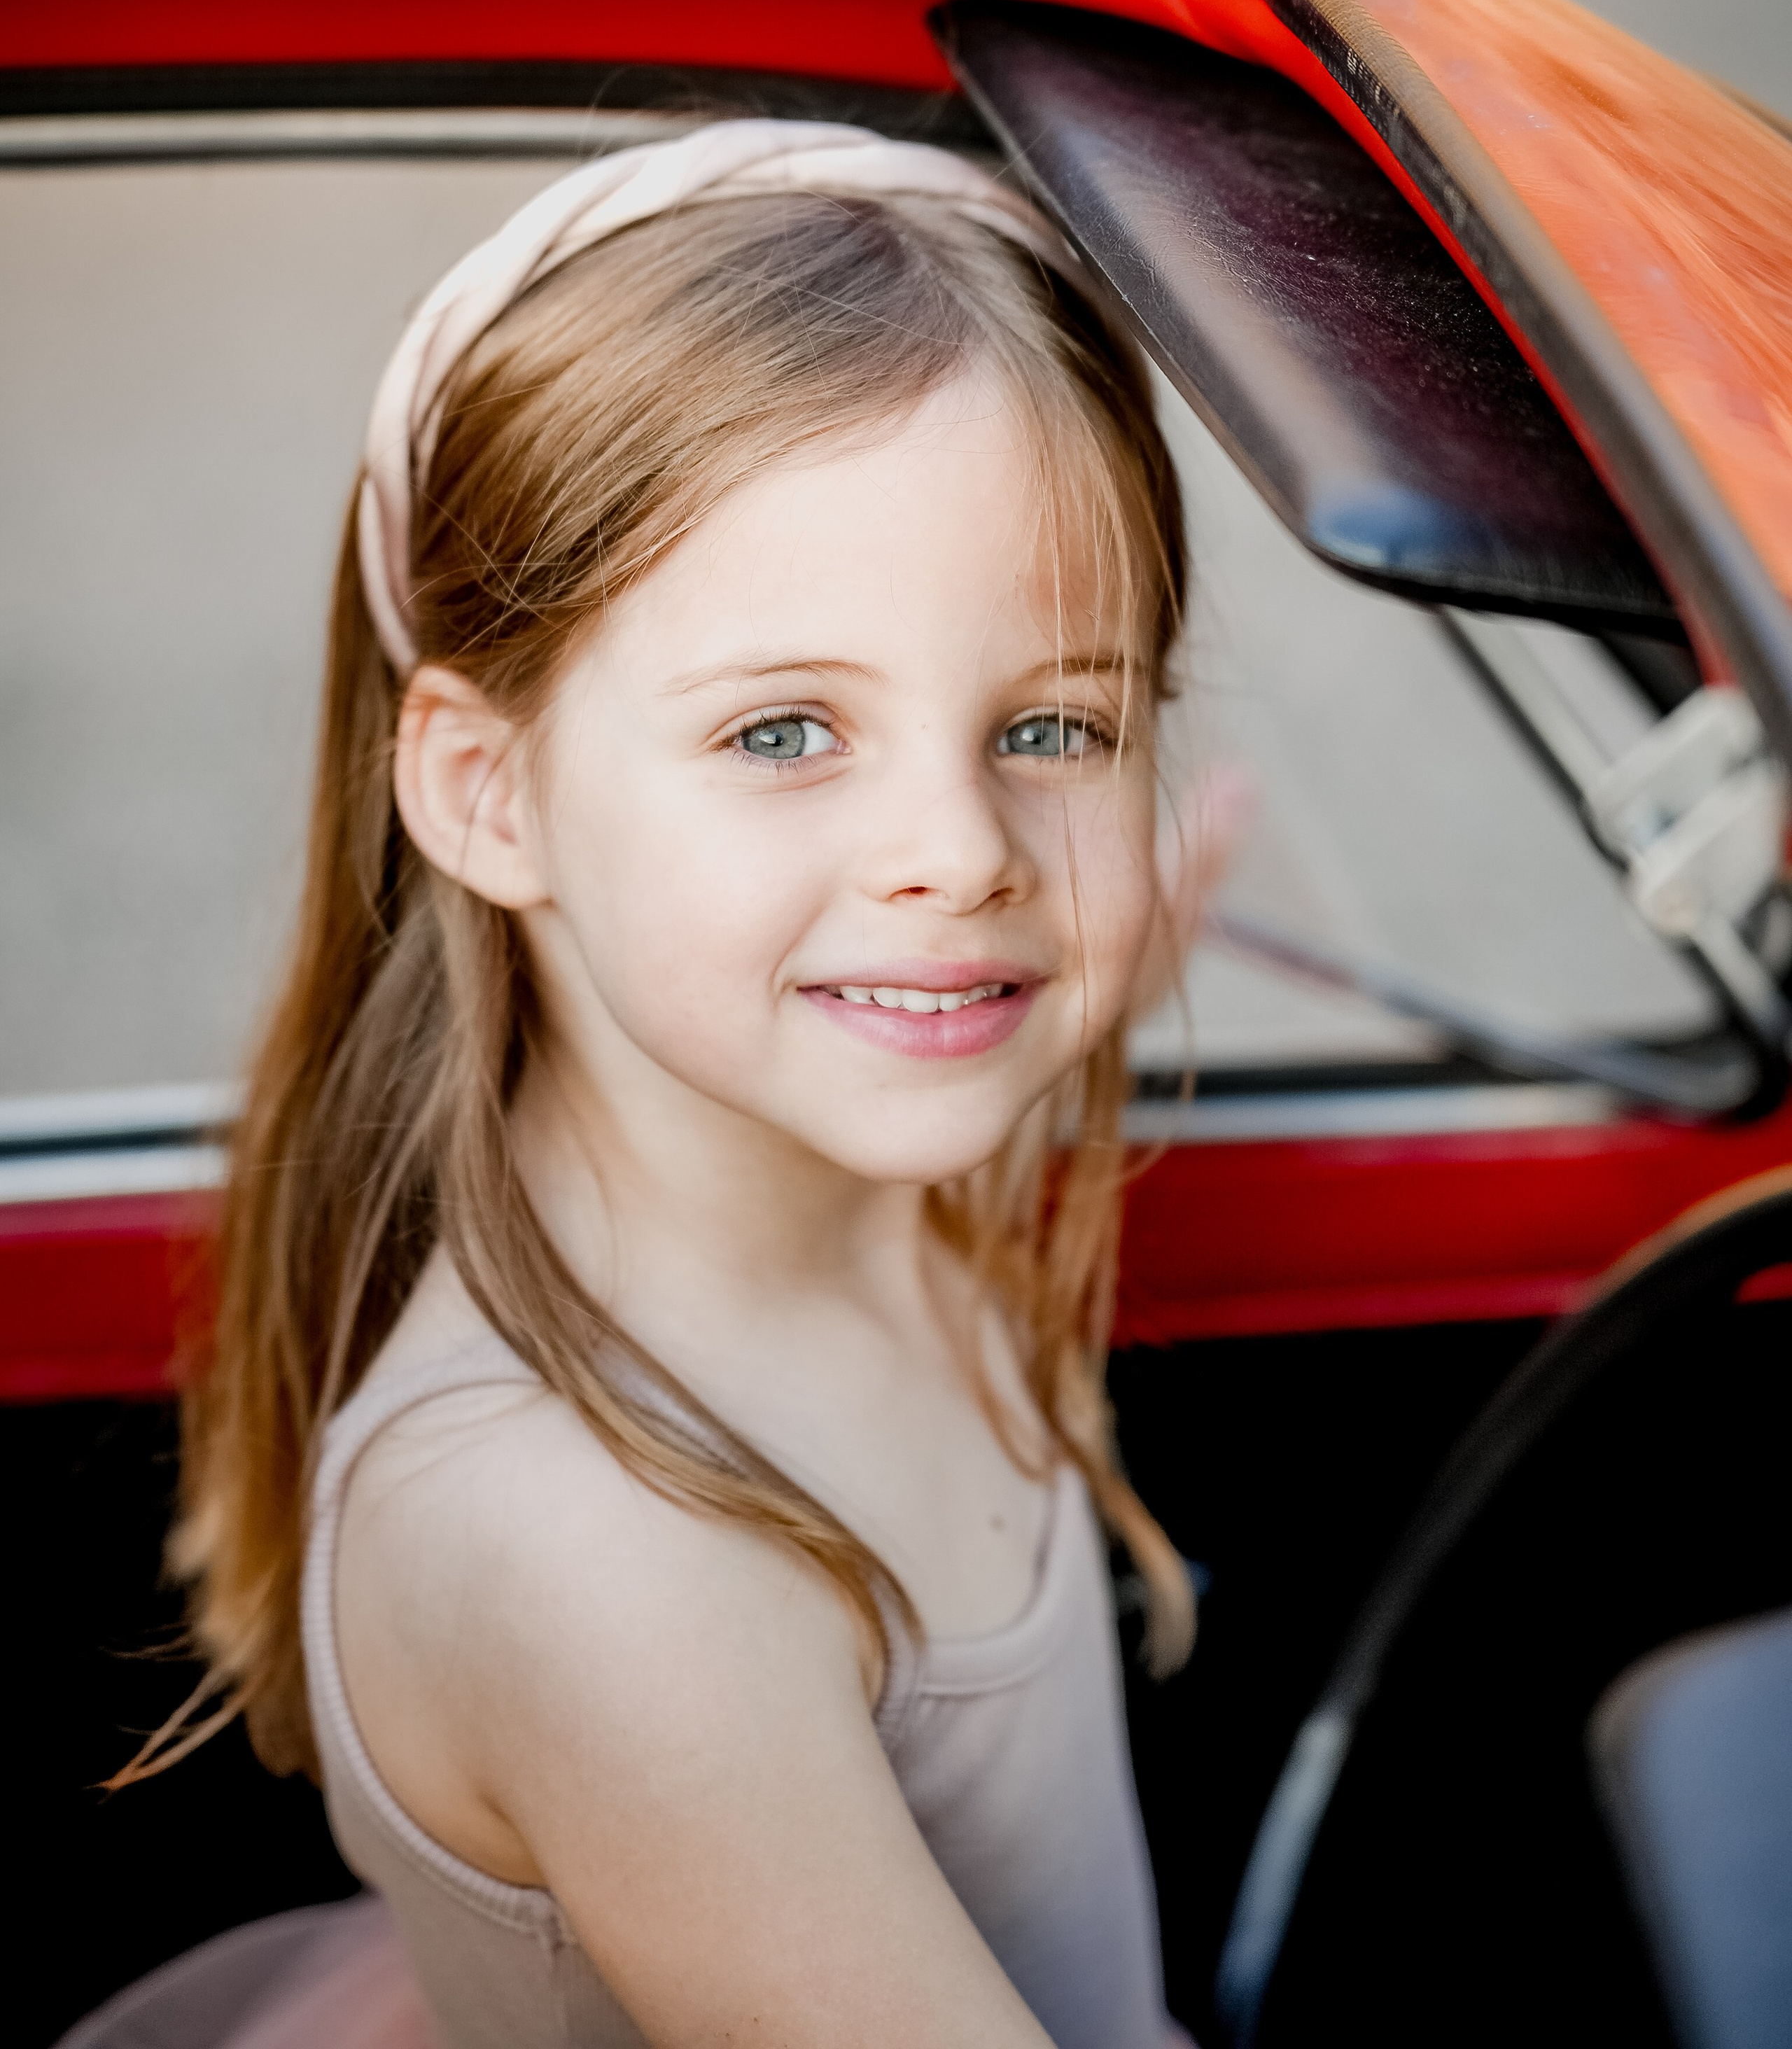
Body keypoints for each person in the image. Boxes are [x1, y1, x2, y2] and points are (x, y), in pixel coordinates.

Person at [83, 123, 1239, 2049]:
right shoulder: (606, 1562)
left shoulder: (835, 1122)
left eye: (1052, 724)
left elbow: (969, 926)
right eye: (788, 731)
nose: (959, 853)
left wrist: (1121, 920)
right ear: (490, 792)